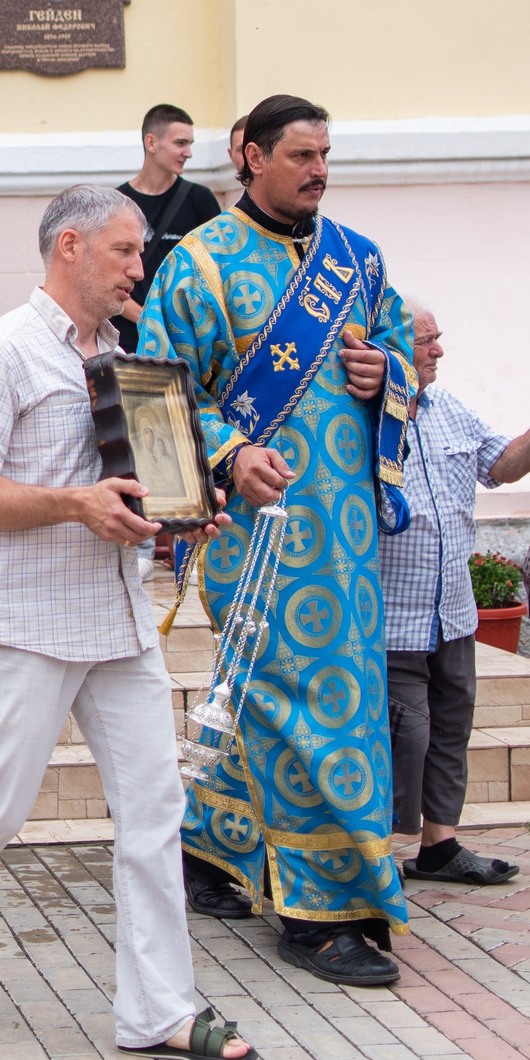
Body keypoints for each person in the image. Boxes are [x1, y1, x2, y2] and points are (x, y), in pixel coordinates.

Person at [0, 185, 255, 1060]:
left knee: (154, 810)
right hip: (26, 620)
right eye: (125, 252)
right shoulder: (1, 350)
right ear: (69, 247)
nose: (138, 270)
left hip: (119, 620)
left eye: (138, 255)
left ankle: (160, 1009)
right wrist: (75, 505)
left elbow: (137, 481)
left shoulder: (127, 354)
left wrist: (186, 509)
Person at [140, 92, 416, 988]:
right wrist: (229, 450)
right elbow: (163, 388)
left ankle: (211, 850)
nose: (319, 171)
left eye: (326, 154)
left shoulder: (359, 262)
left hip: (348, 537)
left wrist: (389, 374)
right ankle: (321, 907)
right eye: (300, 155)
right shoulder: (200, 263)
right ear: (248, 155)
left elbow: (404, 350)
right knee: (294, 698)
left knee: (291, 692)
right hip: (251, 532)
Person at [382, 297, 530, 886]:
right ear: (388, 344)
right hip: (391, 614)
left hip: (453, 609)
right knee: (405, 731)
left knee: (451, 724)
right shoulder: (362, 419)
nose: (437, 350)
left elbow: (504, 467)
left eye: (439, 338)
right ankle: (381, 854)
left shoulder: (450, 409)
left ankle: (440, 846)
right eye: (424, 340)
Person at [114, 103, 223, 356]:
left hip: (183, 344)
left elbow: (215, 271)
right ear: (151, 143)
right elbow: (107, 276)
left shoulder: (200, 200)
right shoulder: (117, 203)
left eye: (190, 144)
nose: (189, 153)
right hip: (128, 343)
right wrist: (148, 321)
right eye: (181, 143)